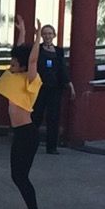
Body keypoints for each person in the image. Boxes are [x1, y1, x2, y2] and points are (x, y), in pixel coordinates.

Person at [0, 16, 44, 209]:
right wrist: (22, 32)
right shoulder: (15, 75)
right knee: (18, 175)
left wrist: (37, 37)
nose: (11, 66)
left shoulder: (31, 79)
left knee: (20, 176)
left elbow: (31, 60)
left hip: (27, 133)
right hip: (20, 133)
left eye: (15, 64)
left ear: (22, 66)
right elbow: (20, 52)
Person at [31, 24, 75, 155]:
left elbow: (63, 69)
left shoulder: (59, 51)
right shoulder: (37, 49)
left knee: (54, 117)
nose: (47, 36)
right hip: (40, 87)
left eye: (50, 33)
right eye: (44, 34)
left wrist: (70, 85)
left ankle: (51, 147)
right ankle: (30, 143)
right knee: (36, 116)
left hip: (55, 88)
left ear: (54, 35)